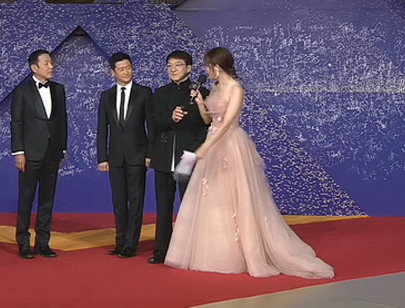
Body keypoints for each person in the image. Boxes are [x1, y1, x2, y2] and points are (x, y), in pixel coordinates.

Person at [165, 47, 334, 279]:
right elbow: (209, 120)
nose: (206, 71)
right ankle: (216, 251)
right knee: (213, 198)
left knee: (235, 197)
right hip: (212, 143)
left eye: (208, 66)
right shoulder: (215, 87)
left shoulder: (236, 89)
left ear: (217, 67)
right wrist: (201, 103)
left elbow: (227, 123)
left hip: (229, 145)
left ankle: (245, 251)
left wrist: (205, 147)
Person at [147, 50, 210, 264]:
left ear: (189, 68)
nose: (173, 69)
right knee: (163, 207)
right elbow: (153, 123)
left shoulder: (201, 92)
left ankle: (191, 251)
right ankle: (161, 252)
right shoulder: (160, 93)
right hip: (164, 157)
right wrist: (170, 118)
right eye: (169, 65)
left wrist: (194, 151)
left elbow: (205, 126)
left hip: (188, 157)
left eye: (178, 65)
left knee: (189, 205)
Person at [11, 49, 68, 259]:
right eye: (46, 63)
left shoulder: (59, 90)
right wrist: (19, 152)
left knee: (47, 200)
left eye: (51, 63)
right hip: (30, 153)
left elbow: (62, 121)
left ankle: (43, 242)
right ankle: (23, 242)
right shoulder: (22, 91)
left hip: (52, 153)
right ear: (34, 68)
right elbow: (16, 123)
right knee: (26, 199)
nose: (51, 66)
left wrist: (62, 148)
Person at [96, 52, 153, 258]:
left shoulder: (144, 93)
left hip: (137, 155)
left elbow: (151, 126)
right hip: (115, 157)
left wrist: (150, 153)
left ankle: (131, 244)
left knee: (136, 201)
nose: (126, 72)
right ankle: (120, 241)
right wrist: (102, 157)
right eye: (121, 69)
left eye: (128, 67)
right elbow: (102, 128)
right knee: (119, 202)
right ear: (112, 72)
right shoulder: (106, 96)